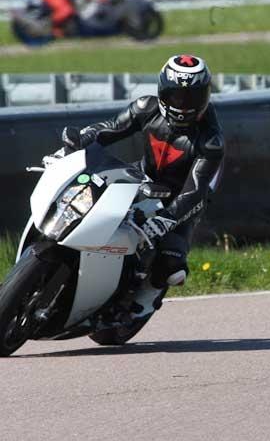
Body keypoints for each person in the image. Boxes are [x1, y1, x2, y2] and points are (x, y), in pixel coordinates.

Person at [61, 54, 224, 318]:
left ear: (205, 96)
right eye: (176, 96)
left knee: (173, 268)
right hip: (141, 177)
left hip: (180, 200)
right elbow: (110, 129)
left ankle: (141, 303)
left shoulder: (211, 142)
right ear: (161, 91)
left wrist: (168, 218)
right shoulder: (145, 107)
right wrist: (81, 140)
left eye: (192, 98)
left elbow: (196, 189)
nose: (183, 104)